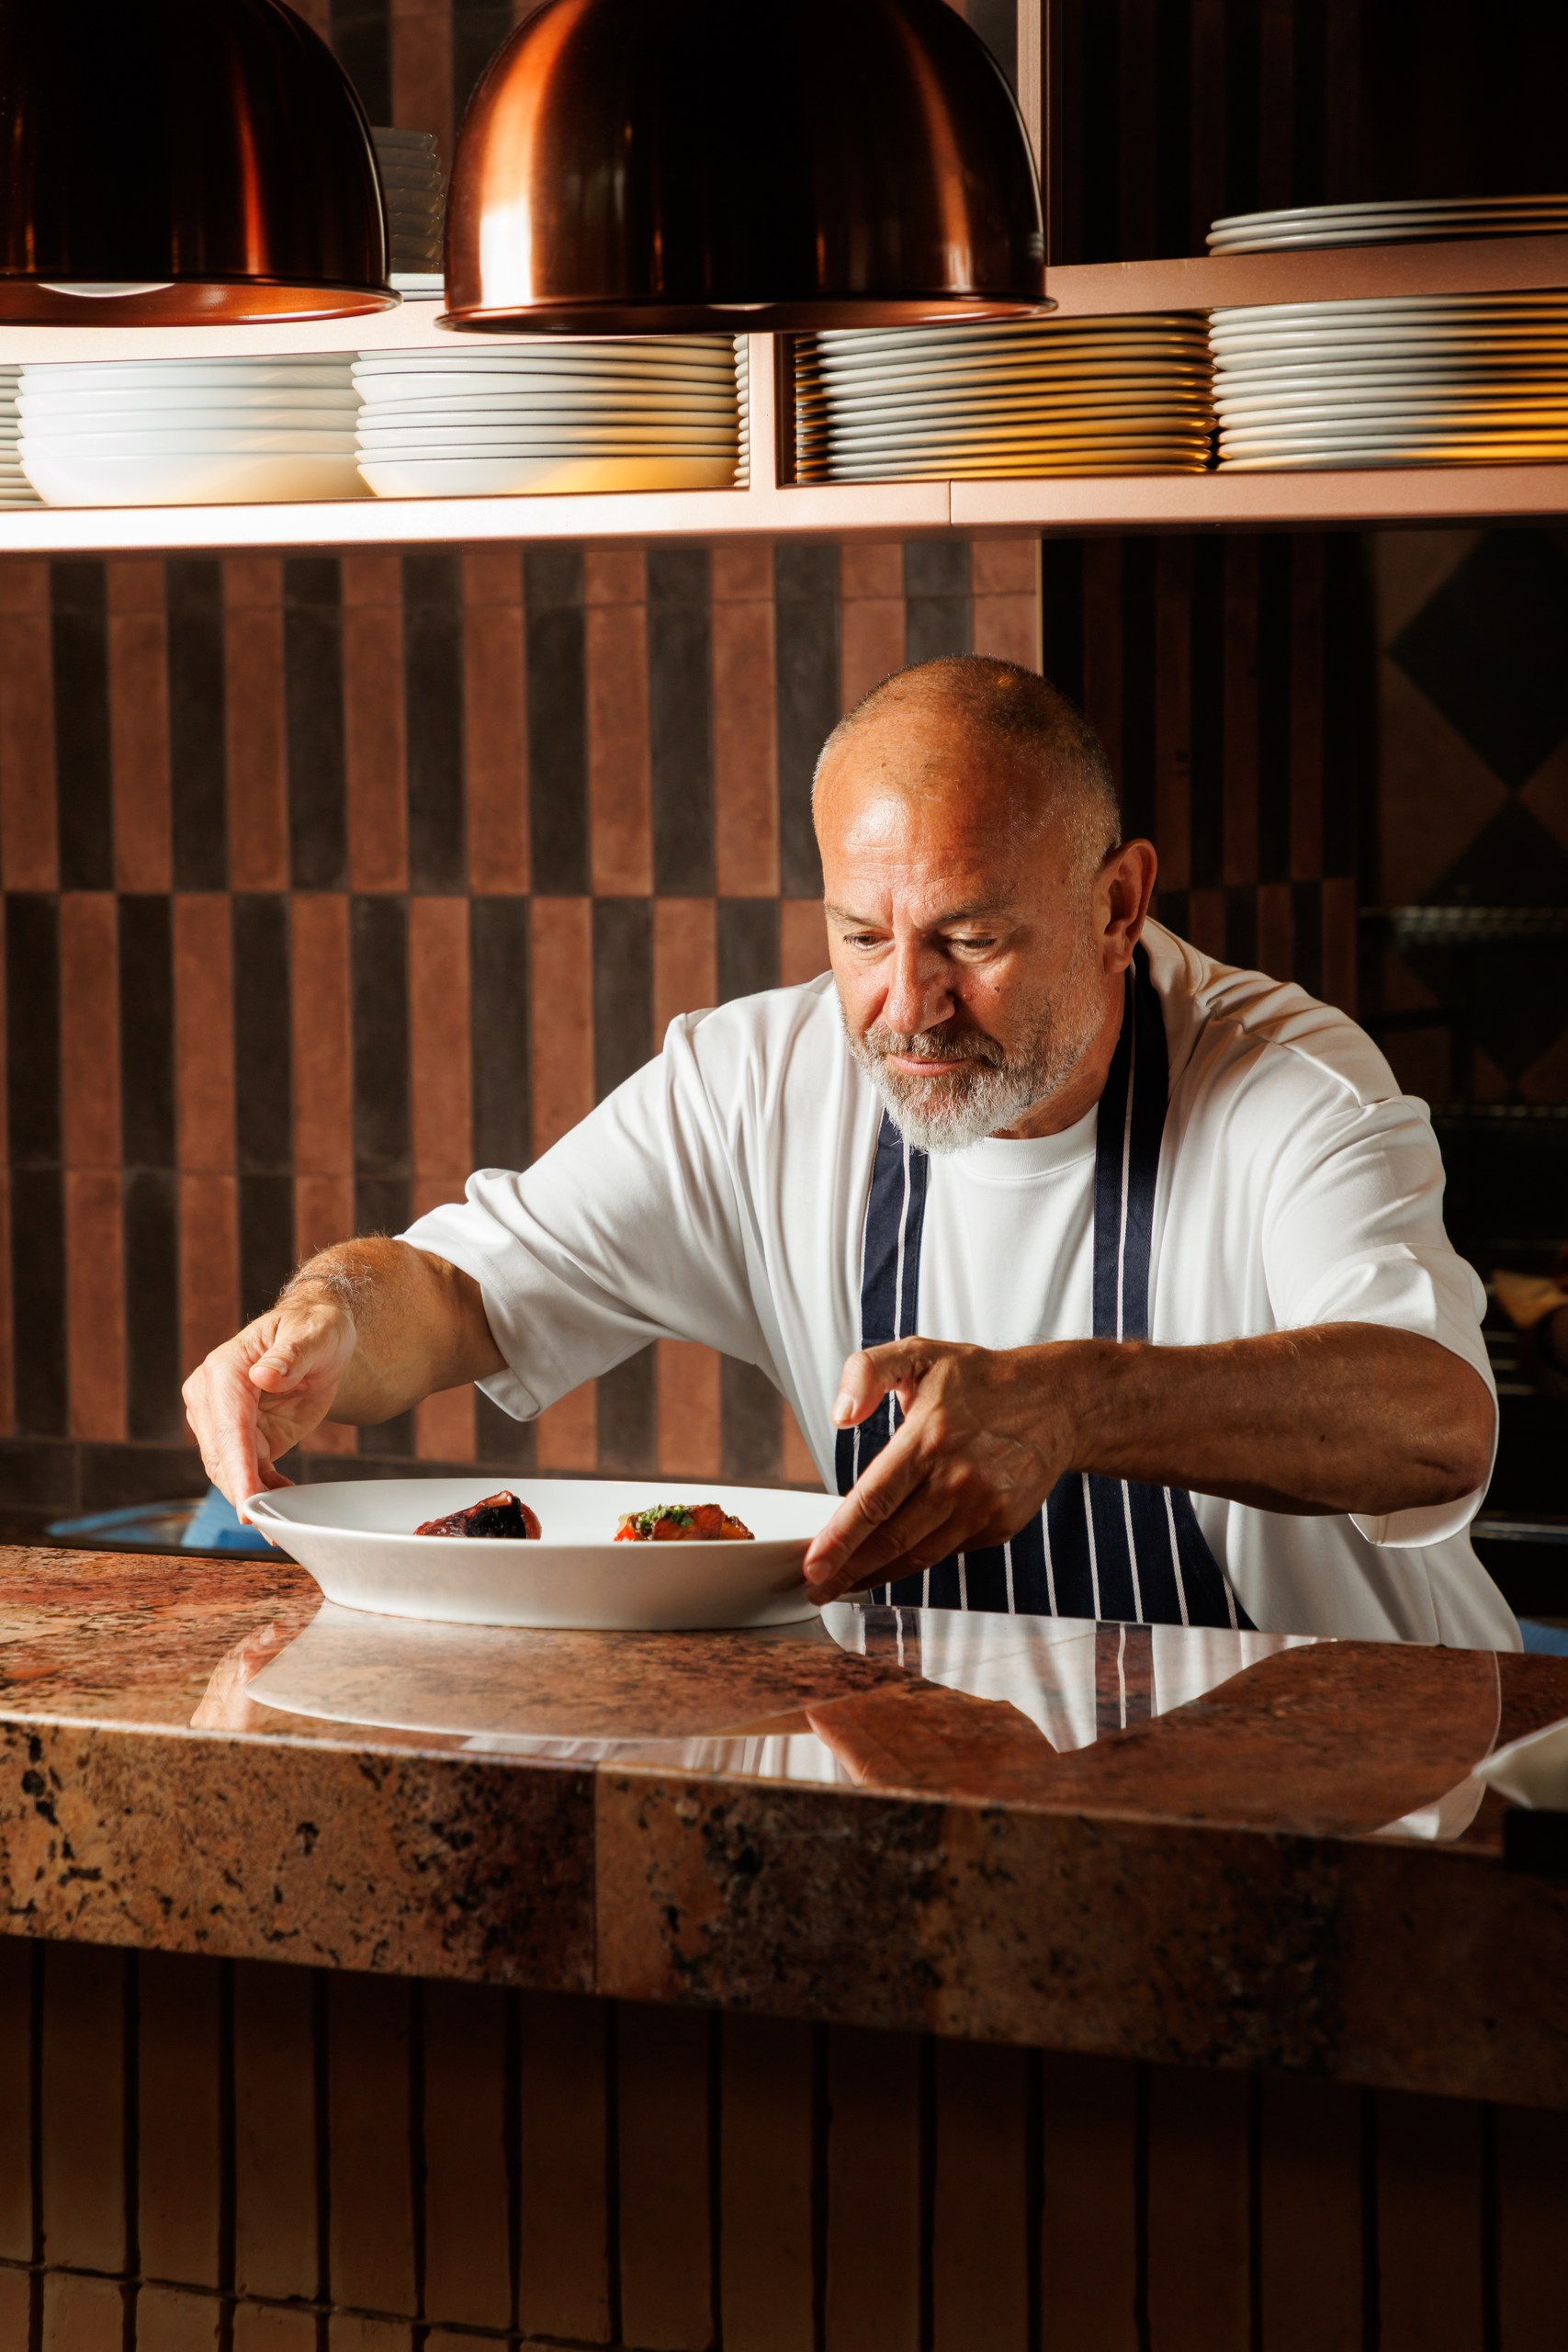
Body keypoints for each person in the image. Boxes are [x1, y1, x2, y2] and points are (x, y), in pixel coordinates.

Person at [183, 657, 1511, 1646]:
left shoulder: (1291, 1090)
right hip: (978, 1784)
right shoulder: (755, 1083)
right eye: (864, 939)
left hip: (1360, 1786)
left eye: (970, 940)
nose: (906, 1006)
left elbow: (1437, 1421)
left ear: (1117, 905)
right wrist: (325, 1326)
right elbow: (465, 1294)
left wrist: (1079, 1402)